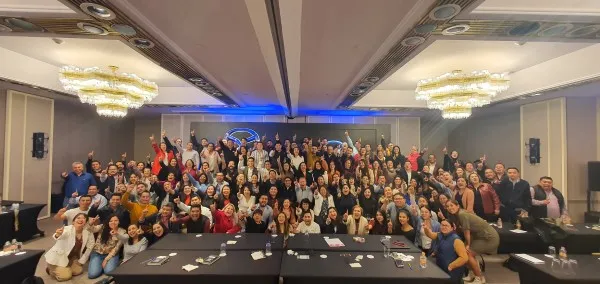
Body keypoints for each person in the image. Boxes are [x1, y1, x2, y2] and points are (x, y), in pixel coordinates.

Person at [447, 200, 498, 284]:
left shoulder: (462, 214)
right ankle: (473, 274)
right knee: (464, 252)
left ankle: (479, 278)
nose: (450, 208)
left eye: (451, 205)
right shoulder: (457, 215)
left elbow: (467, 232)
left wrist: (468, 244)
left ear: (457, 206)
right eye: (448, 206)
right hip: (478, 237)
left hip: (488, 238)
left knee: (468, 253)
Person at [45, 213, 95, 282]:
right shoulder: (67, 229)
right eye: (78, 218)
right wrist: (58, 234)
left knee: (78, 270)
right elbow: (61, 235)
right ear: (73, 222)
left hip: (71, 258)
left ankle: (64, 268)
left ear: (85, 223)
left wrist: (82, 260)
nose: (80, 220)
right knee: (66, 276)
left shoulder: (88, 232)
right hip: (58, 257)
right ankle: (50, 268)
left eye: (83, 218)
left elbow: (90, 247)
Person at [423, 219, 469, 283]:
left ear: (452, 228)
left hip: (452, 271)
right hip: (441, 267)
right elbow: (430, 234)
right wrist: (426, 228)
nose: (444, 227)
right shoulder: (440, 235)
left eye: (446, 225)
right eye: (442, 225)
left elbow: (464, 258)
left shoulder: (456, 240)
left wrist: (451, 266)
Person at [87, 215, 127, 279]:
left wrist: (106, 259)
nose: (113, 222)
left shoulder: (122, 231)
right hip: (97, 253)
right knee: (92, 275)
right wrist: (91, 223)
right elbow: (91, 229)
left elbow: (117, 248)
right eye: (111, 221)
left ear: (119, 222)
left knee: (108, 272)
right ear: (108, 222)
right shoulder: (102, 226)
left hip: (111, 254)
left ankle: (103, 264)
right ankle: (99, 265)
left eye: (116, 220)